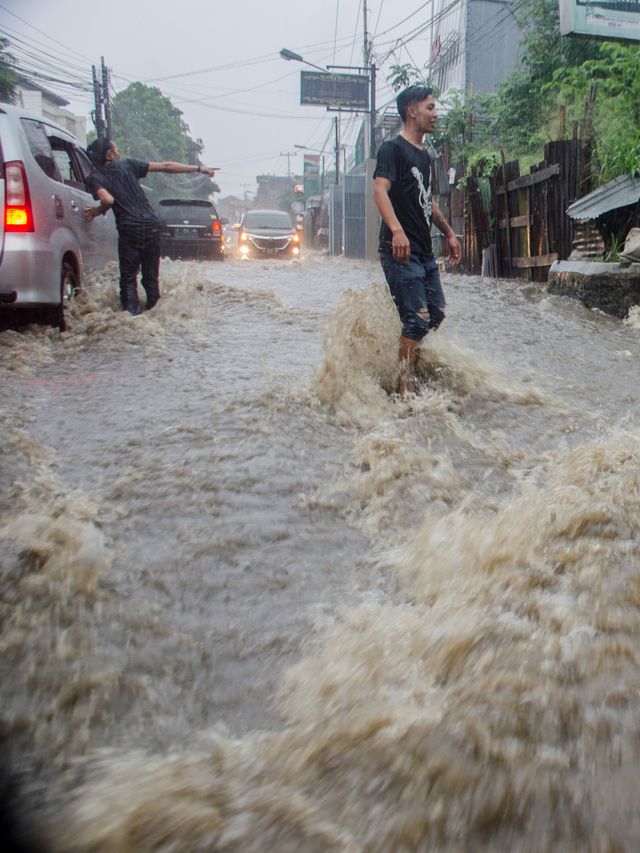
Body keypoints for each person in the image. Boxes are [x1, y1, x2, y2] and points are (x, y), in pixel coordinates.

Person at [373, 84, 462, 395]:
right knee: (417, 319)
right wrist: (397, 230)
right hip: (400, 250)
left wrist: (449, 232)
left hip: (424, 252)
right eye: (430, 108)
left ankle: (406, 362)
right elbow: (380, 190)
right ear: (412, 111)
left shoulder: (425, 156)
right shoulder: (392, 149)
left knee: (435, 314)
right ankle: (403, 387)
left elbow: (428, 201)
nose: (435, 114)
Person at [84, 139, 217, 315]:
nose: (119, 151)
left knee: (128, 279)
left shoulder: (94, 177)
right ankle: (156, 313)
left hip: (129, 229)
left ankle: (130, 318)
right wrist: (199, 169)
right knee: (151, 279)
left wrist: (96, 211)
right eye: (116, 149)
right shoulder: (128, 165)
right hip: (151, 225)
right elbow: (166, 166)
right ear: (109, 154)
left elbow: (108, 200)